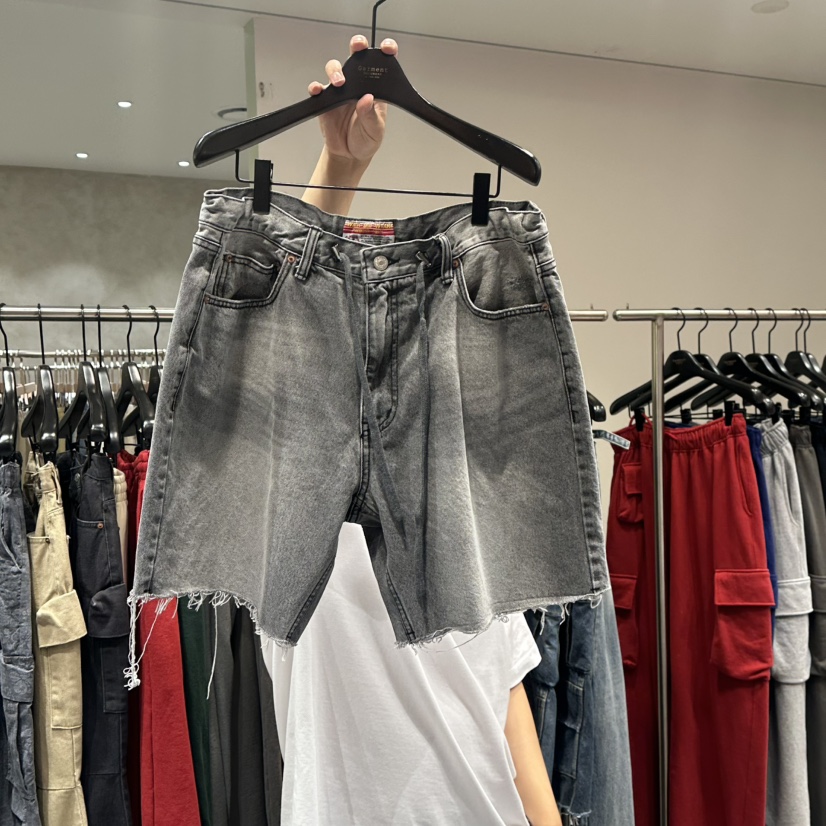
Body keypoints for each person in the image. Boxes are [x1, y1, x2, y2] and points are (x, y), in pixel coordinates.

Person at [261, 34, 563, 826]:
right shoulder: (294, 504)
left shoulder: (471, 494)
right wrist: (339, 169)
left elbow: (504, 696)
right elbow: (287, 334)